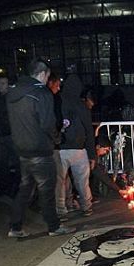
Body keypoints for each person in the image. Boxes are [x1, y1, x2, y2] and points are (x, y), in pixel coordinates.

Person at [7, 58, 74, 238]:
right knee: (47, 190)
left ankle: (15, 227)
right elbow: (47, 123)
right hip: (40, 149)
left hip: (22, 149)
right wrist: (57, 137)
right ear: (43, 74)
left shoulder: (13, 93)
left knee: (25, 188)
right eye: (47, 76)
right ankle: (54, 226)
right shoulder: (41, 93)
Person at [55, 75, 96, 217]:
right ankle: (86, 206)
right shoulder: (81, 106)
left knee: (60, 182)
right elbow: (89, 131)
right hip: (79, 148)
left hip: (61, 149)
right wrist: (92, 154)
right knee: (82, 181)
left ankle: (61, 209)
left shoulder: (57, 102)